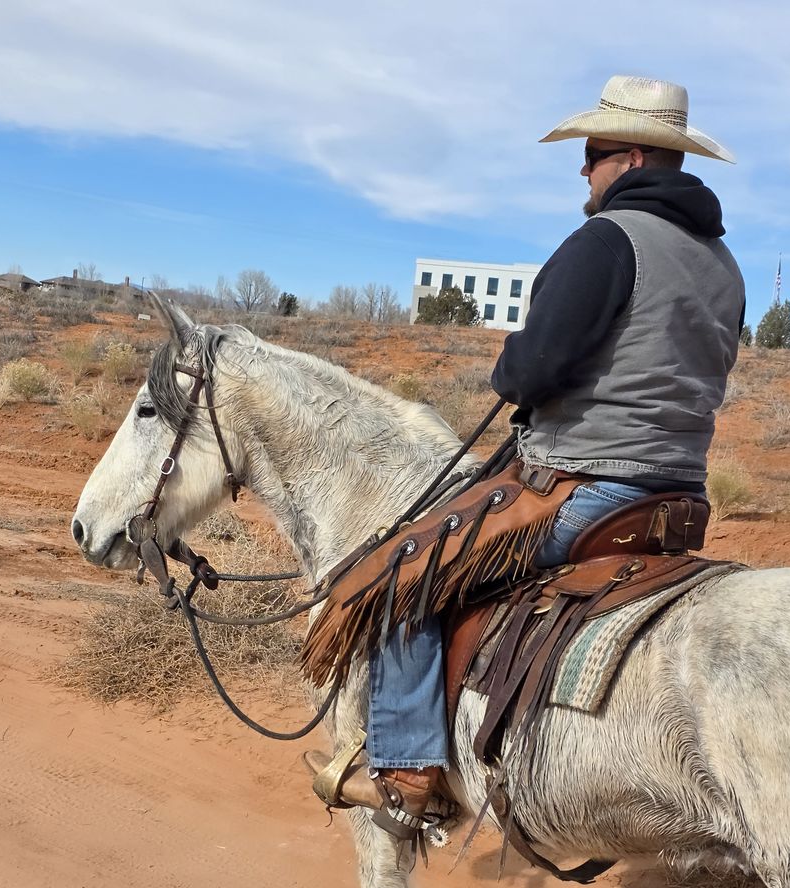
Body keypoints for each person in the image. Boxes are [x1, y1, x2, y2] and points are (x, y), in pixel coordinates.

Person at [305, 75, 745, 827]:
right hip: (677, 499)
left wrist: (510, 366)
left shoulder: (607, 241)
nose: (584, 168)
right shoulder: (722, 264)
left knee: (400, 579)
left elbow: (532, 370)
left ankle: (408, 775)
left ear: (633, 158)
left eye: (595, 153)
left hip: (585, 488)